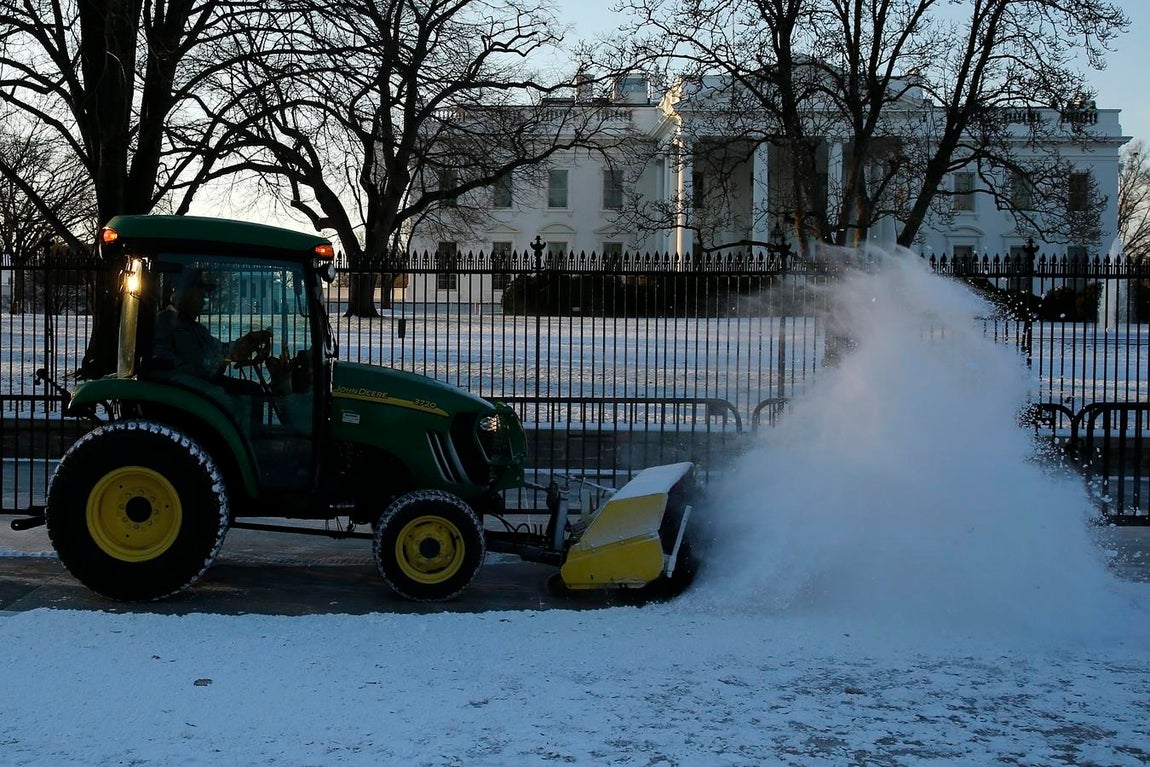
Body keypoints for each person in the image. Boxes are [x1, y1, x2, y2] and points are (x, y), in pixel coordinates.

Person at [153, 268, 269, 379]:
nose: (204, 302)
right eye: (201, 296)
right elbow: (174, 371)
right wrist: (222, 360)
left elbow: (219, 350)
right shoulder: (163, 324)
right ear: (185, 294)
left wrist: (245, 342)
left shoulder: (195, 328)